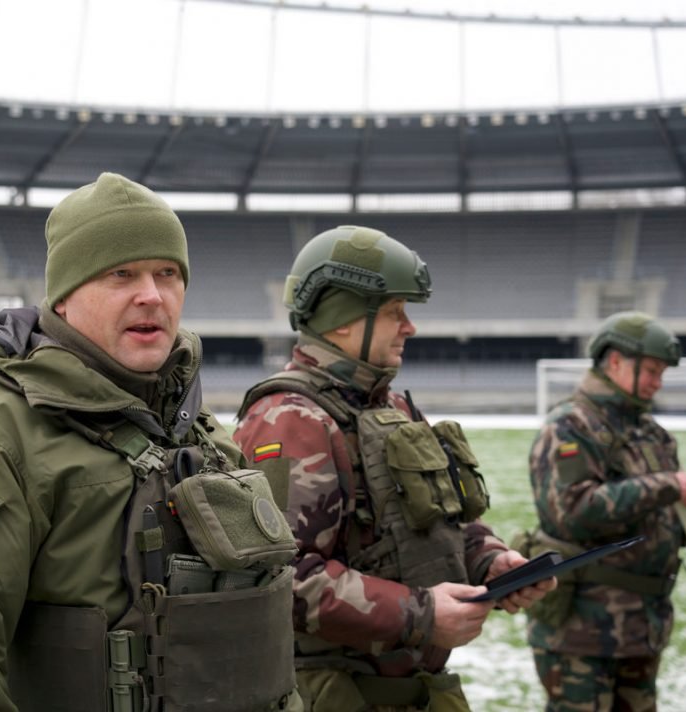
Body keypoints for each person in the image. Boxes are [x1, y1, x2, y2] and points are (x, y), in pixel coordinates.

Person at [0, 172, 302, 712]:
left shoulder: (196, 428)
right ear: (67, 295)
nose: (151, 295)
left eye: (167, 273)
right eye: (121, 273)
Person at [233, 225, 554, 712]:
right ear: (342, 319)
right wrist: (419, 615)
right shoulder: (290, 420)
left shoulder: (392, 409)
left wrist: (492, 560)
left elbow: (437, 523)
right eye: (393, 313)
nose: (410, 327)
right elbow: (279, 579)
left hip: (414, 691)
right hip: (339, 696)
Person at [523, 310, 686, 711]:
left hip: (642, 627)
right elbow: (573, 511)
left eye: (661, 372)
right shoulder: (569, 426)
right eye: (650, 370)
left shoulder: (652, 434)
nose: (657, 382)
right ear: (615, 361)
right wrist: (667, 484)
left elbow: (658, 519)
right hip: (583, 630)